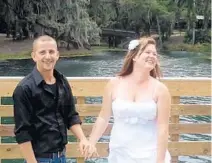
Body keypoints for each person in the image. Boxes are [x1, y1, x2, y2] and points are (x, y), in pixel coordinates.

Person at [85, 37, 171, 162]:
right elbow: (103, 117)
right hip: (120, 152)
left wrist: (160, 160)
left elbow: (163, 128)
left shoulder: (161, 90)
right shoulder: (114, 84)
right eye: (147, 52)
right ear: (134, 57)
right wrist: (91, 142)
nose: (152, 56)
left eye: (154, 54)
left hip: (150, 154)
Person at [13, 35, 92, 163]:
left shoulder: (62, 82)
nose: (48, 56)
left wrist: (83, 139)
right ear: (34, 56)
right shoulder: (24, 89)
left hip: (61, 156)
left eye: (51, 52)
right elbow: (22, 133)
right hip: (39, 159)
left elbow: (71, 116)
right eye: (42, 52)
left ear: (57, 55)